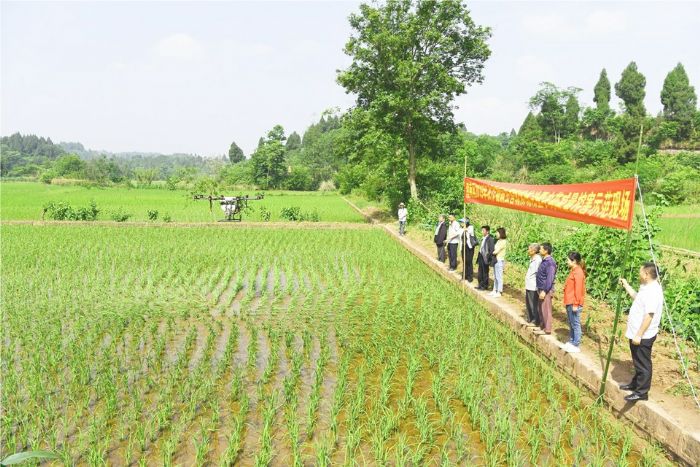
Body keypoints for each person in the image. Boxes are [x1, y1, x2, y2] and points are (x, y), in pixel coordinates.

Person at [618, 262, 664, 402]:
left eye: (640, 272)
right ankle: (635, 384)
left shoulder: (653, 292)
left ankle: (642, 392)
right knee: (637, 361)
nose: (639, 274)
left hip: (643, 335)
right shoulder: (646, 287)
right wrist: (626, 285)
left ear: (646, 274)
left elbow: (649, 315)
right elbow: (637, 298)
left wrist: (639, 335)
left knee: (643, 363)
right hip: (636, 332)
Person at [562, 251, 586, 353]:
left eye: (568, 260)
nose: (567, 261)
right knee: (571, 323)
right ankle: (572, 341)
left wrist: (576, 304)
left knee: (575, 323)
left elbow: (578, 290)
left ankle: (576, 343)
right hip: (569, 301)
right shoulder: (573, 270)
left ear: (574, 261)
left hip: (574, 302)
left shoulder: (578, 272)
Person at [536, 242, 557, 335]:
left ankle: (547, 329)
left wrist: (545, 291)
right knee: (541, 308)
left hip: (546, 290)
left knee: (546, 309)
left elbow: (550, 278)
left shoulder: (550, 262)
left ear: (546, 250)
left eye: (541, 249)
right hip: (541, 288)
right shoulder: (544, 260)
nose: (539, 250)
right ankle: (542, 326)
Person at [524, 243, 542, 326]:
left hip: (533, 285)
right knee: (528, 302)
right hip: (529, 284)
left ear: (534, 250)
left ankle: (535, 320)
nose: (528, 250)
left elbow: (537, 273)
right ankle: (530, 318)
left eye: (529, 249)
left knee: (533, 303)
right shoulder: (532, 258)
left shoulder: (537, 260)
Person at [489, 227, 507, 298]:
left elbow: (496, 251)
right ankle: (494, 290)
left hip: (499, 260)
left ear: (501, 233)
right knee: (495, 276)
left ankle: (499, 291)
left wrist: (490, 252)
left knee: (499, 276)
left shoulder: (503, 241)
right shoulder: (498, 241)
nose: (496, 234)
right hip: (495, 260)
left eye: (497, 232)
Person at [476, 225, 495, 290]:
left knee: (485, 272)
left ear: (487, 231)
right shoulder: (483, 238)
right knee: (480, 271)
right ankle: (480, 284)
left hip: (485, 257)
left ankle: (485, 285)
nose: (482, 232)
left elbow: (491, 249)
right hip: (481, 256)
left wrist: (488, 256)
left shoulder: (490, 239)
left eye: (483, 230)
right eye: (482, 230)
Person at [460, 217, 476, 282]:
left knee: (469, 261)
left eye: (462, 222)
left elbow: (470, 232)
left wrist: (465, 228)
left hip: (469, 247)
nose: (461, 223)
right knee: (464, 261)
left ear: (466, 222)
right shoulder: (461, 229)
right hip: (463, 247)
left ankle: (470, 277)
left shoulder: (470, 227)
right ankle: (465, 275)